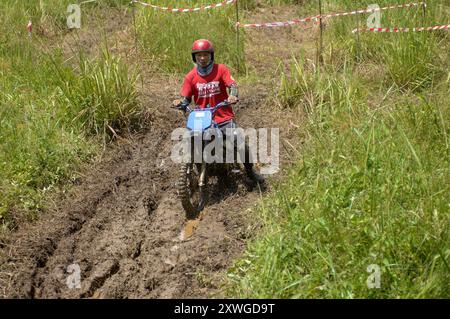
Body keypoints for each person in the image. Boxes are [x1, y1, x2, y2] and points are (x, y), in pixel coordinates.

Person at [173, 39, 265, 186]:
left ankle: (250, 172)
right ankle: (195, 171)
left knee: (238, 141)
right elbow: (186, 98)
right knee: (192, 141)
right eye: (199, 55)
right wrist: (181, 103)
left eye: (205, 55)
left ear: (211, 55)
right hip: (202, 118)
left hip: (223, 116)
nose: (202, 58)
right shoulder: (190, 77)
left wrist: (233, 94)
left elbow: (232, 84)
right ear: (194, 57)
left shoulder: (221, 69)